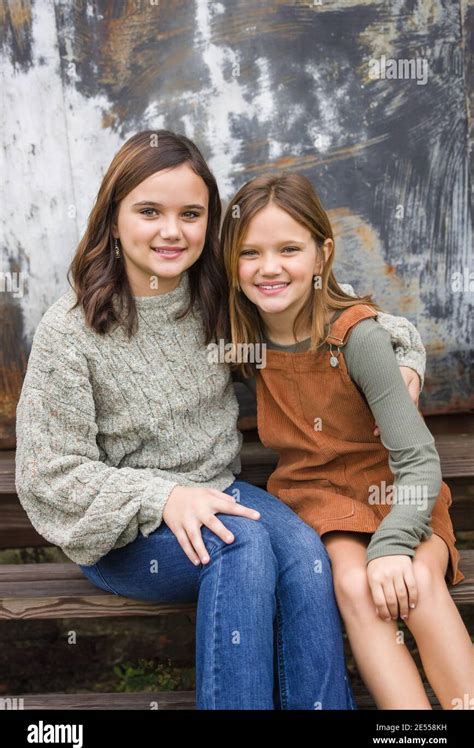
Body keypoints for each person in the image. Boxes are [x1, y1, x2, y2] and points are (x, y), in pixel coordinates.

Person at [16, 131, 425, 710]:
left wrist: (402, 351)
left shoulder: (215, 299)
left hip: (222, 494)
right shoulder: (73, 332)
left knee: (308, 551)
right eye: (149, 212)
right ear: (112, 219)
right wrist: (164, 496)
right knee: (243, 547)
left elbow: (327, 309)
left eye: (191, 214)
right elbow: (48, 477)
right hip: (123, 533)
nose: (171, 231)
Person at [220, 170, 473, 710]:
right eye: (250, 253)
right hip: (322, 503)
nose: (269, 268)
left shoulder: (357, 337)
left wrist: (392, 545)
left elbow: (420, 462)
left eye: (289, 249)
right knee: (356, 587)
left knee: (416, 584)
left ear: (322, 253)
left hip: (402, 497)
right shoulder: (242, 337)